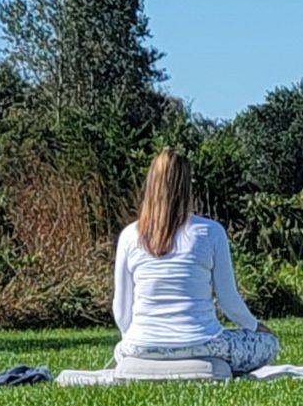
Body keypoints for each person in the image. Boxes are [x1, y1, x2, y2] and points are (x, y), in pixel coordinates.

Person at [108, 149, 279, 381]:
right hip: (202, 343)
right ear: (186, 186)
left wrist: (136, 338)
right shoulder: (210, 232)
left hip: (140, 346)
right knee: (269, 344)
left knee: (121, 348)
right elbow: (229, 302)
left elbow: (121, 310)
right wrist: (256, 327)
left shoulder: (130, 235)